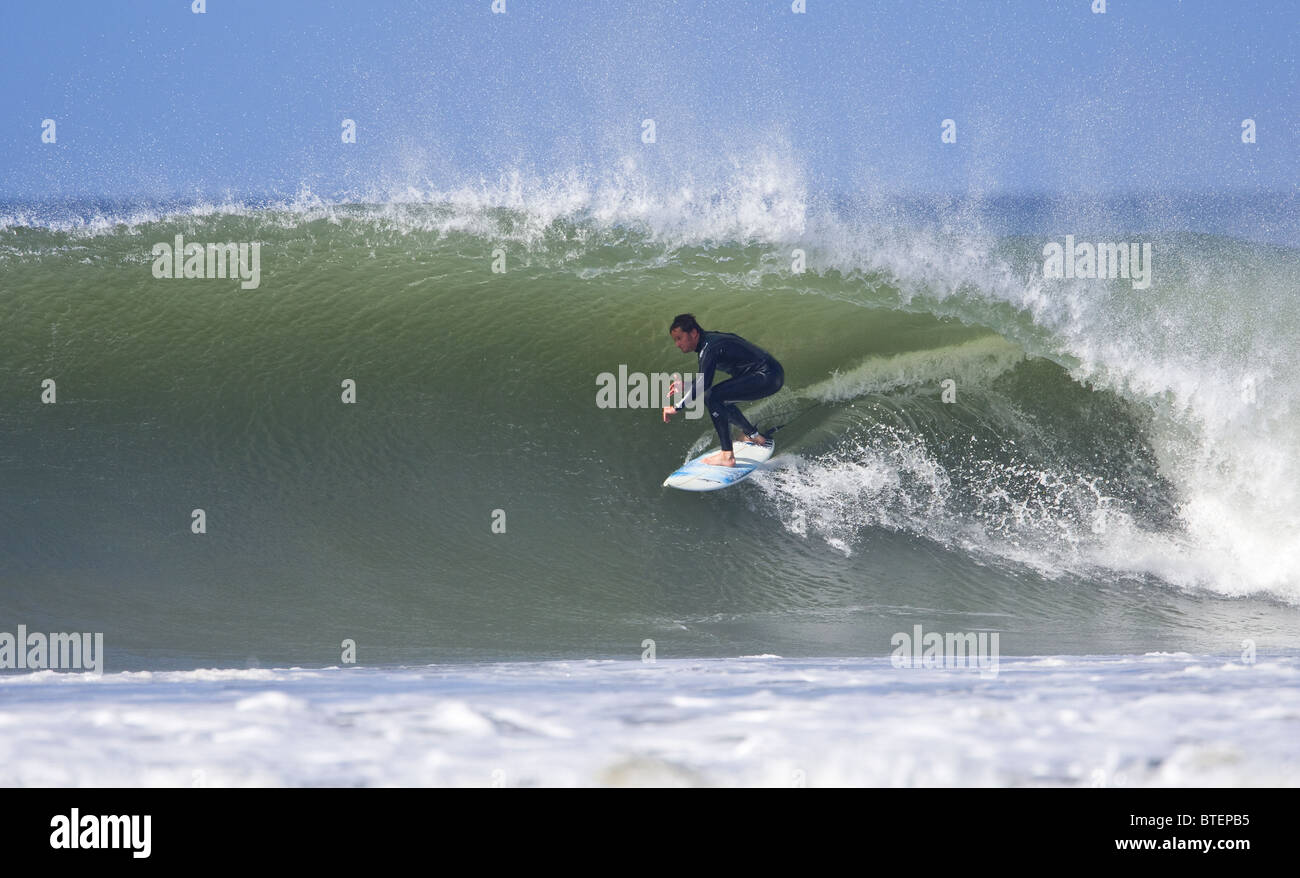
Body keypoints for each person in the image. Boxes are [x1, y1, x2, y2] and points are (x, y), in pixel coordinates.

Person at [661, 313, 784, 466]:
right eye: (675, 340)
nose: (677, 344)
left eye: (679, 338)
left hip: (766, 375)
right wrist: (686, 385)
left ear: (693, 333)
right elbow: (704, 379)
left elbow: (704, 384)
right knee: (722, 398)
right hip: (770, 375)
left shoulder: (709, 348)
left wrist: (676, 407)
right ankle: (754, 436)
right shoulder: (709, 343)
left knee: (712, 397)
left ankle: (727, 455)